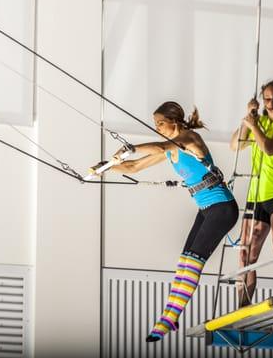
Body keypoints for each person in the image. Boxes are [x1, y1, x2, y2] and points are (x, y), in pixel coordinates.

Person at [95, 101, 239, 342]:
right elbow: (134, 167)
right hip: (206, 209)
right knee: (184, 262)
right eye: (156, 124)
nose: (157, 127)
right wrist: (107, 167)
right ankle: (169, 315)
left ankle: (169, 317)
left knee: (193, 263)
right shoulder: (169, 150)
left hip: (222, 208)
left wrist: (132, 147)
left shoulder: (189, 138)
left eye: (160, 123)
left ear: (175, 121)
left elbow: (161, 146)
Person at [229, 80, 273, 307]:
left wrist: (255, 126)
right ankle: (243, 306)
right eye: (267, 99)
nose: (270, 104)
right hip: (256, 193)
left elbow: (269, 148)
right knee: (245, 252)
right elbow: (235, 145)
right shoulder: (259, 123)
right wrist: (247, 119)